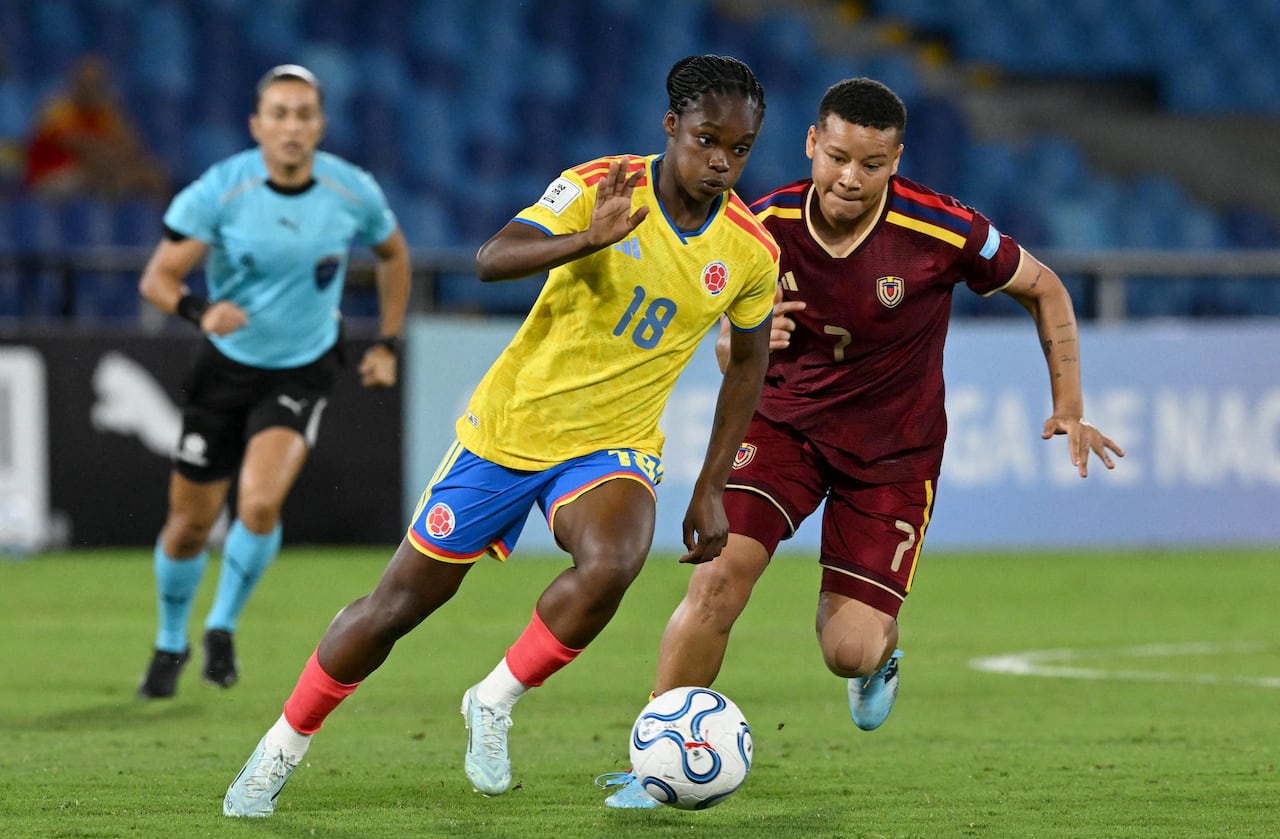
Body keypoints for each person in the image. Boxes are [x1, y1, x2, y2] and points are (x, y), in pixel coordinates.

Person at [221, 53, 779, 818]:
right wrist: (586, 239)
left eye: (740, 149)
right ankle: (281, 745)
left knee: (615, 560)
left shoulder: (750, 250)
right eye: (707, 139)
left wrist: (713, 483)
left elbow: (748, 365)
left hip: (611, 443)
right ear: (671, 125)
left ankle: (494, 696)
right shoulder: (597, 185)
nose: (722, 161)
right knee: (396, 608)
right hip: (509, 431)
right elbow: (492, 259)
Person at [598, 76, 1125, 808]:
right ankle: (650, 761)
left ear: (895, 161)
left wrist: (1068, 404)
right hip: (783, 431)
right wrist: (738, 341)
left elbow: (1047, 288)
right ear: (813, 144)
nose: (850, 178)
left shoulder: (943, 229)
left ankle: (880, 655)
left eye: (871, 164)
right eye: (838, 157)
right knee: (717, 580)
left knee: (846, 648)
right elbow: (721, 339)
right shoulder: (760, 223)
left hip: (892, 458)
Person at [135, 64, 411, 700]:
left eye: (304, 114)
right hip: (224, 370)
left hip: (303, 368)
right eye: (279, 114)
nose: (292, 126)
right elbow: (157, 279)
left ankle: (223, 625)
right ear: (258, 125)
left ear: (320, 125)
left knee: (258, 504)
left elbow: (394, 254)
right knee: (188, 527)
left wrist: (388, 343)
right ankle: (171, 640)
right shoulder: (222, 189)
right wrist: (202, 312)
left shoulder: (353, 192)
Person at [22, 54, 170, 201]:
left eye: (96, 84)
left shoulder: (105, 112)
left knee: (152, 175)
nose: (90, 90)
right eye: (85, 84)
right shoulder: (57, 109)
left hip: (93, 174)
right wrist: (114, 156)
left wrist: (116, 114)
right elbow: (81, 146)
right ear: (74, 83)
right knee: (103, 168)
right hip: (50, 177)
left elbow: (132, 147)